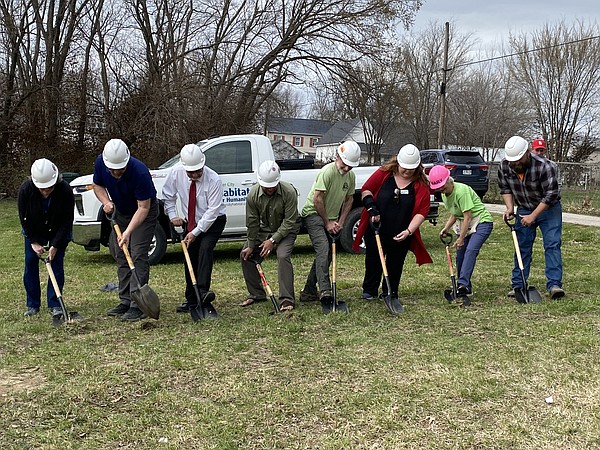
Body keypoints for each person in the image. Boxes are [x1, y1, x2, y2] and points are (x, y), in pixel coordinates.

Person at [353, 144, 432, 311]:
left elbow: (422, 211)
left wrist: (409, 231)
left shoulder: (421, 183)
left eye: (411, 169)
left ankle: (390, 291)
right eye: (404, 168)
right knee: (373, 260)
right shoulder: (384, 173)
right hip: (376, 229)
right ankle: (369, 290)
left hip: (401, 231)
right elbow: (366, 190)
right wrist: (371, 207)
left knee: (395, 263)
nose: (407, 172)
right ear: (398, 162)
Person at [93, 138, 159, 321]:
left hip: (143, 212)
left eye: (120, 169)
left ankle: (138, 304)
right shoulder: (101, 162)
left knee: (137, 254)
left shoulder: (140, 172)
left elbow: (144, 208)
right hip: (120, 212)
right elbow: (97, 185)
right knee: (121, 253)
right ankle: (125, 300)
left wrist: (128, 232)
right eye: (112, 169)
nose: (116, 172)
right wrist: (106, 202)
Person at [162, 143, 226, 318]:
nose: (196, 174)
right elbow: (168, 196)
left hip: (214, 221)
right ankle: (191, 299)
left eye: (198, 170)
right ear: (184, 168)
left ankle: (203, 293)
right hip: (192, 221)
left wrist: (195, 232)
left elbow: (212, 212)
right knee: (189, 255)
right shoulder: (175, 173)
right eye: (191, 172)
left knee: (205, 249)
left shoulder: (214, 180)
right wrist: (173, 215)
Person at [498, 135, 565, 299]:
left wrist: (533, 216)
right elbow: (505, 188)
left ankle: (554, 285)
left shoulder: (545, 166)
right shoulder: (505, 166)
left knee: (552, 244)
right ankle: (519, 284)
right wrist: (509, 208)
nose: (516, 164)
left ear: (527, 153)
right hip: (524, 208)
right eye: (513, 161)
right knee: (522, 246)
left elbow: (551, 195)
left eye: (519, 160)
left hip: (549, 209)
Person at [299, 140, 360, 313]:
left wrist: (340, 223)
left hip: (332, 217)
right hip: (313, 214)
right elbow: (318, 199)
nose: (347, 169)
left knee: (326, 255)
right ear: (338, 157)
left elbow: (349, 200)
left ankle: (309, 291)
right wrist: (327, 222)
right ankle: (325, 292)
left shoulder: (350, 176)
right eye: (345, 164)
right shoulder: (327, 171)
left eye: (351, 166)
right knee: (324, 249)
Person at [239, 160, 300, 311]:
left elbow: (290, 221)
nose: (270, 189)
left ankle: (286, 300)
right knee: (245, 254)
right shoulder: (253, 195)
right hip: (264, 231)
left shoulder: (289, 192)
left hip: (287, 230)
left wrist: (273, 240)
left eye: (273, 186)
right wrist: (251, 245)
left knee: (282, 256)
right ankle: (256, 294)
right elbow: (252, 223)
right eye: (266, 186)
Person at [18, 159, 74, 317]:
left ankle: (55, 304)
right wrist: (34, 242)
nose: (46, 191)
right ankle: (33, 304)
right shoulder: (26, 190)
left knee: (56, 264)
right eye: (42, 188)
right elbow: (24, 219)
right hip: (34, 229)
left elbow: (67, 221)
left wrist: (55, 245)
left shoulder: (65, 190)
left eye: (49, 187)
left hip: (58, 229)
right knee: (30, 262)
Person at [429, 165, 494, 301]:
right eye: (438, 188)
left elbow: (467, 216)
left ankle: (462, 285)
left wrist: (461, 238)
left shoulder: (461, 191)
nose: (441, 189)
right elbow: (455, 213)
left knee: (470, 250)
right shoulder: (445, 194)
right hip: (465, 223)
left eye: (442, 186)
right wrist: (446, 228)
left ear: (449, 180)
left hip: (481, 221)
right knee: (460, 254)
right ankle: (465, 287)